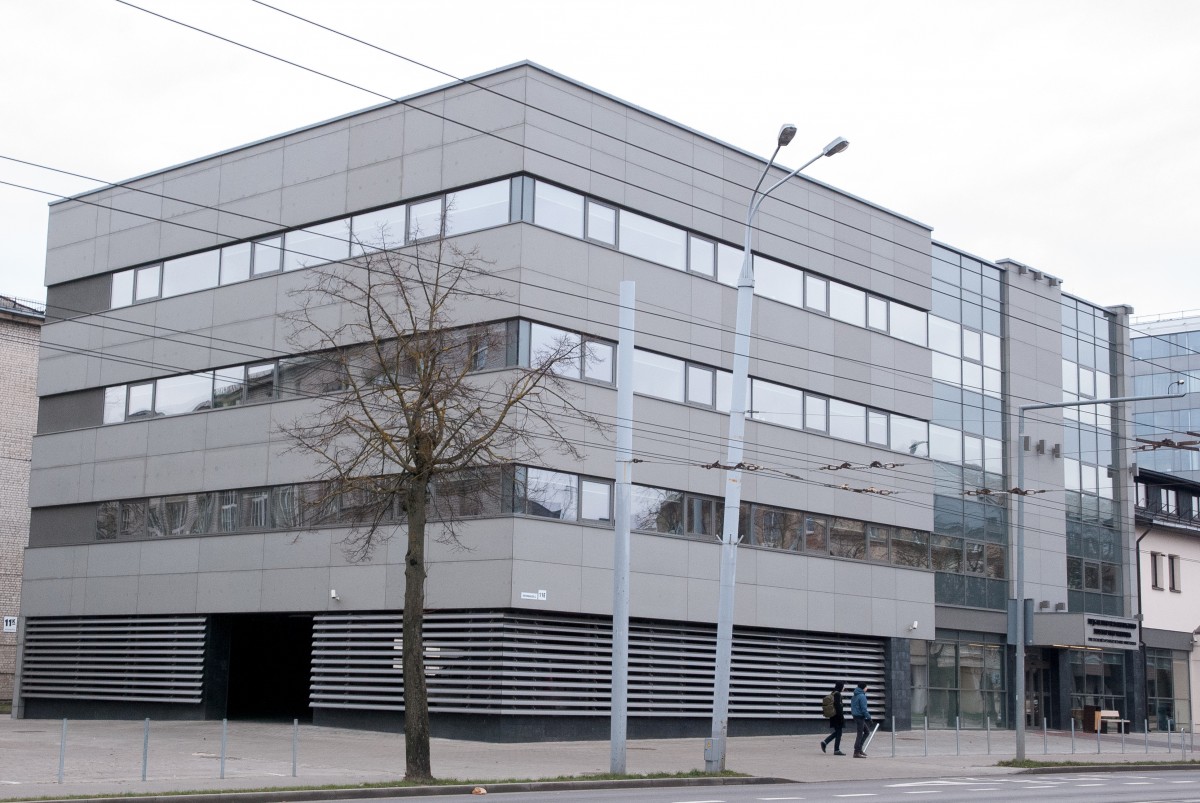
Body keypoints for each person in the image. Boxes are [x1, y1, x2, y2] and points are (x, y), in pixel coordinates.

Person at [819, 681, 846, 755]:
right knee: (839, 733)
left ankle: (825, 742)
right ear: (840, 686)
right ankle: (836, 750)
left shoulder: (833, 693)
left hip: (833, 716)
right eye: (843, 686)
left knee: (838, 732)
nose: (844, 688)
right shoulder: (837, 694)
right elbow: (838, 707)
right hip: (837, 717)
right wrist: (841, 718)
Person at [851, 681, 872, 758]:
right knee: (860, 734)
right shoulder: (862, 696)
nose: (867, 688)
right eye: (866, 687)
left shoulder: (855, 695)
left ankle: (859, 749)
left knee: (866, 732)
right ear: (863, 688)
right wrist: (869, 718)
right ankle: (856, 752)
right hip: (860, 717)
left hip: (856, 716)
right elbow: (864, 709)